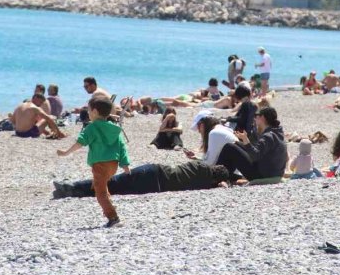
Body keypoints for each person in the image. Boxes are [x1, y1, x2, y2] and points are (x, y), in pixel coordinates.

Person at [57, 95, 130, 228]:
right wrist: (125, 163)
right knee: (102, 187)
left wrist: (66, 152)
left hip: (100, 165)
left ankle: (113, 217)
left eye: (89, 111)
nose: (88, 113)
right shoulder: (113, 128)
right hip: (113, 165)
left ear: (95, 112)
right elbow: (122, 145)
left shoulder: (92, 127)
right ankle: (108, 204)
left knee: (99, 192)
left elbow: (80, 143)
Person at [53, 161, 230, 199]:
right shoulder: (206, 185)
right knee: (115, 187)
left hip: (156, 169)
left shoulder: (200, 166)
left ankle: (73, 187)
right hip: (155, 185)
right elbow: (214, 185)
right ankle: (74, 189)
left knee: (113, 181)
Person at [215, 107, 288, 182]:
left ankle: (216, 177)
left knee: (229, 147)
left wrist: (246, 141)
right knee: (236, 145)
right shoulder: (277, 133)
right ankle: (225, 177)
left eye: (256, 117)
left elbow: (255, 155)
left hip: (262, 175)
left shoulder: (268, 136)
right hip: (273, 172)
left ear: (262, 118)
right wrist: (243, 142)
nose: (255, 120)